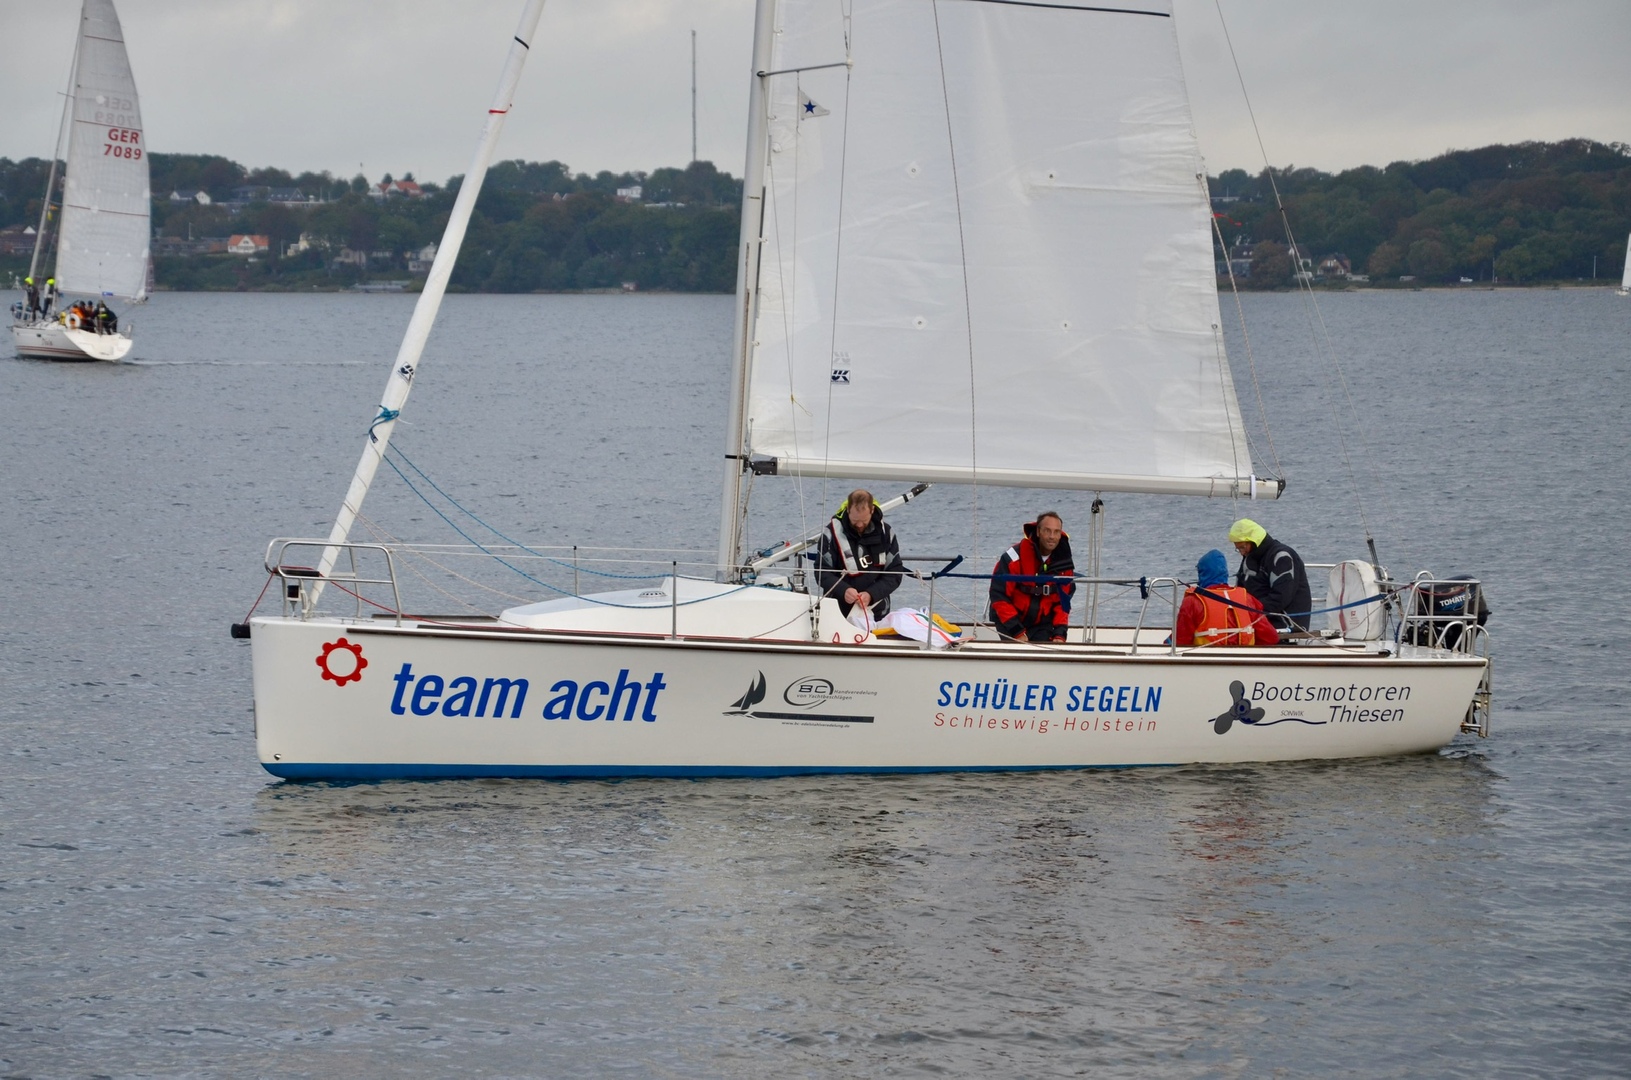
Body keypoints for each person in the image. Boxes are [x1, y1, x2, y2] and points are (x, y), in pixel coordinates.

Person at [815, 489, 905, 625]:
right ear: (848, 510)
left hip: (877, 612)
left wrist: (871, 594)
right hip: (838, 611)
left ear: (872, 510)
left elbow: (895, 573)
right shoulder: (830, 535)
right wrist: (843, 590)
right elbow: (822, 572)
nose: (859, 525)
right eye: (855, 520)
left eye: (864, 520)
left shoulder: (886, 533)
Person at [989, 512, 1074, 642]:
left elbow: (1063, 604)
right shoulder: (1013, 558)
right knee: (1017, 651)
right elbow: (999, 596)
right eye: (1047, 531)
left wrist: (1060, 634)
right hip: (1009, 621)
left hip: (1042, 624)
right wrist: (1017, 631)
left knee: (1046, 649)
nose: (1052, 536)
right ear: (1038, 532)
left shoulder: (1064, 564)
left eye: (1056, 532)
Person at [1175, 549, 1279, 647]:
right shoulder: (1247, 599)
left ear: (1202, 573)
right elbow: (1270, 638)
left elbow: (1180, 640)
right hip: (1243, 657)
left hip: (1207, 657)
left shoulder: (1193, 601)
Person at [1229, 518, 1311, 633]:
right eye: (1238, 549)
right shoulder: (1249, 558)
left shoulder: (1281, 557)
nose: (1242, 552)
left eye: (1242, 547)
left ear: (1254, 541)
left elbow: (1281, 597)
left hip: (1286, 623)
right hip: (1257, 619)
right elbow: (1240, 590)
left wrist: (1251, 610)